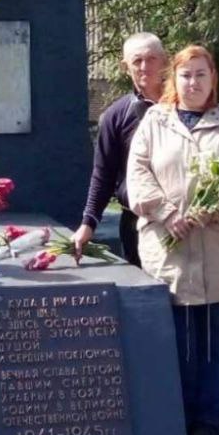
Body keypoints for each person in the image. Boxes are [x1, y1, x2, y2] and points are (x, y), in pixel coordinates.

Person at [125, 45, 219, 435]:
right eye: (185, 75)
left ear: (212, 78)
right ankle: (177, 416)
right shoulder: (155, 122)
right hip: (171, 248)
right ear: (174, 80)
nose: (193, 83)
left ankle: (209, 419)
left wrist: (217, 207)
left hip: (216, 248)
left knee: (213, 338)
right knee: (178, 338)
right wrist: (167, 213)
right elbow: (138, 174)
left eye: (201, 74)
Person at [74, 33, 168, 263]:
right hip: (138, 223)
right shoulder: (116, 116)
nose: (144, 67)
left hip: (185, 221)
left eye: (151, 59)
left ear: (165, 61)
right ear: (125, 67)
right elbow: (103, 175)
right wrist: (88, 223)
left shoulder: (185, 106)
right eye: (137, 61)